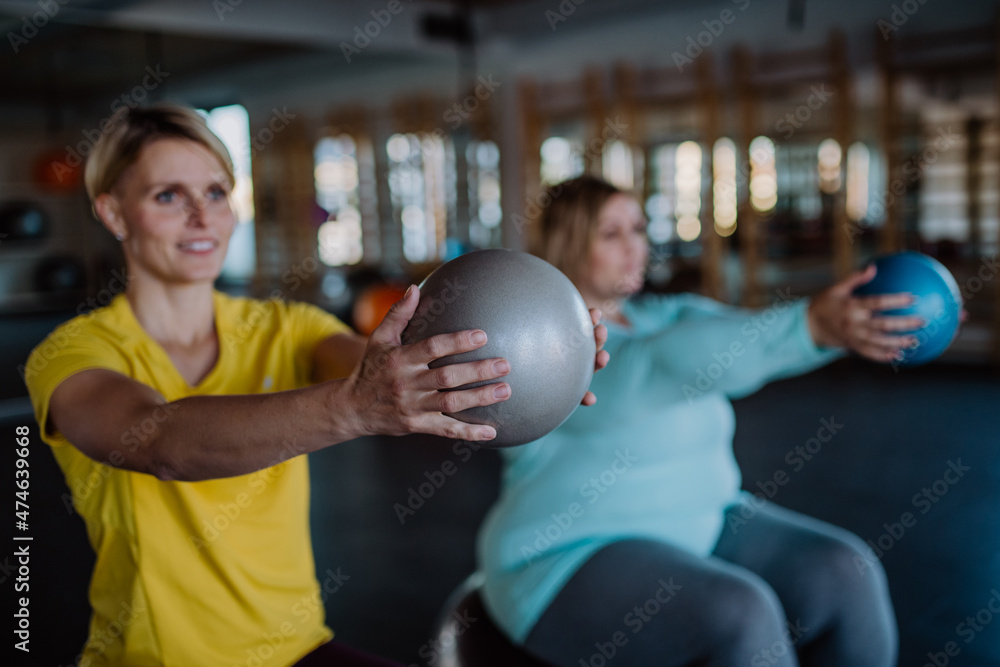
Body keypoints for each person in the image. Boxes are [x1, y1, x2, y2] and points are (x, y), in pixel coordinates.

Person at [22, 104, 607, 667]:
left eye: (216, 192)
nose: (201, 217)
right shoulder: (74, 354)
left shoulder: (285, 327)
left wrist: (536, 360)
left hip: (295, 649)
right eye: (168, 195)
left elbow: (391, 368)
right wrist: (353, 409)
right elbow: (160, 442)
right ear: (115, 213)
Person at [476, 175, 920, 666]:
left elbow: (751, 344)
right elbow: (664, 363)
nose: (633, 248)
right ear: (568, 244)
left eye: (638, 229)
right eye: (610, 234)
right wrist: (810, 325)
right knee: (741, 615)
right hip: (563, 557)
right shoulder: (544, 351)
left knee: (846, 568)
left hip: (704, 520)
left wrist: (844, 329)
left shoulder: (667, 313)